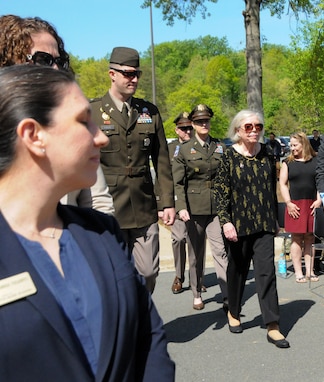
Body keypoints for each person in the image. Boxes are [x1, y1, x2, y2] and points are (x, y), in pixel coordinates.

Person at [0, 64, 174, 381]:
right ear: (33, 135)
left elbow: (148, 340)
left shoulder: (101, 233)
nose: (100, 138)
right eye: (83, 122)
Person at [0, 14, 114, 215]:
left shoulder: (74, 125)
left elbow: (98, 203)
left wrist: (90, 244)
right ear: (10, 62)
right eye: (43, 59)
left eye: (59, 61)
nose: (55, 69)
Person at [90, 47, 176, 293]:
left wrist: (167, 202)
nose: (134, 79)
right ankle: (131, 327)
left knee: (148, 271)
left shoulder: (149, 112)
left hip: (143, 204)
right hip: (107, 206)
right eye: (128, 74)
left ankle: (140, 313)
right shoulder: (93, 112)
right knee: (114, 275)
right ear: (112, 74)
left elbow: (162, 161)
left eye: (137, 74)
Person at [215, 110, 290, 348]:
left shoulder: (268, 154)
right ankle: (234, 312)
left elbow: (271, 189)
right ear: (238, 130)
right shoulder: (228, 156)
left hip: (264, 224)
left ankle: (273, 325)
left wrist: (276, 219)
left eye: (258, 126)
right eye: (248, 127)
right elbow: (220, 192)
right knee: (237, 272)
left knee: (266, 273)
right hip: (237, 226)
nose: (254, 130)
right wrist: (225, 221)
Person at [173, 104, 229, 311]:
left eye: (206, 121)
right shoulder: (184, 150)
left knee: (220, 251)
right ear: (193, 125)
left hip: (216, 207)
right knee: (196, 253)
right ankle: (196, 293)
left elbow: (226, 177)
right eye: (198, 122)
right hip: (194, 209)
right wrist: (181, 207)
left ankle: (227, 295)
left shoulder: (220, 146)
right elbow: (178, 183)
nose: (203, 124)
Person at [278, 132, 322, 283]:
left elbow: (320, 182)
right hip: (295, 205)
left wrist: (319, 200)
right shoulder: (287, 162)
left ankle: (310, 271)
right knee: (296, 238)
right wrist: (289, 203)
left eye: (295, 145)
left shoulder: (316, 161)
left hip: (312, 204)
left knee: (310, 237)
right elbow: (282, 184)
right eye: (290, 145)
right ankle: (298, 272)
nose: (292, 148)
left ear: (304, 144)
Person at [167, 112, 192, 294]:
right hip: (176, 200)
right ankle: (179, 275)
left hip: (195, 200)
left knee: (194, 241)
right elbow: (164, 177)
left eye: (190, 127)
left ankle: (196, 277)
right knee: (178, 238)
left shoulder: (198, 146)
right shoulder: (171, 149)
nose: (188, 131)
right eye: (184, 128)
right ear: (177, 130)